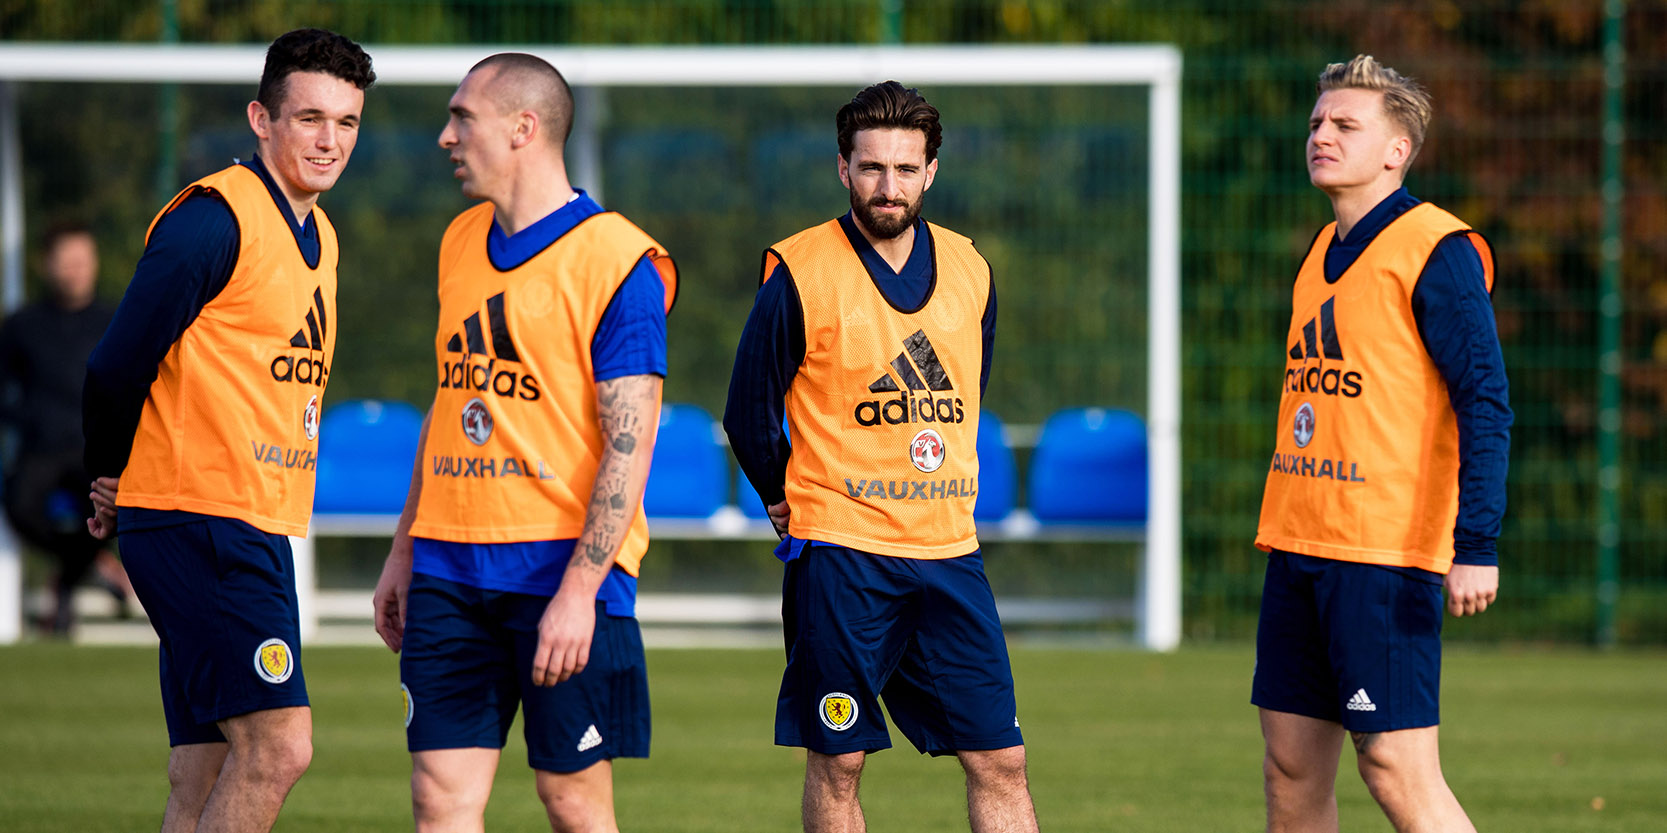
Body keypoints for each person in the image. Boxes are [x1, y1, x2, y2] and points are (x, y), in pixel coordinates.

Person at [371, 53, 675, 833]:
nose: (445, 136)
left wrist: (579, 591)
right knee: (439, 798)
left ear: (522, 128)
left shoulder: (619, 261)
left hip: (558, 571)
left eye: (461, 118)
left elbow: (629, 443)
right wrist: (405, 546)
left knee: (570, 798)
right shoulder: (459, 240)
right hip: (447, 563)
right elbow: (448, 404)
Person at [723, 81, 1039, 833]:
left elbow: (967, 386)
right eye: (870, 168)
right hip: (842, 551)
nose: (886, 186)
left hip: (948, 550)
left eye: (904, 169)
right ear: (842, 169)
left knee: (1000, 757)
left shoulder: (971, 268)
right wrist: (779, 491)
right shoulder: (800, 271)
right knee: (840, 761)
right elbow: (748, 408)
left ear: (931, 171)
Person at [81, 29, 373, 833]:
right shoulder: (214, 220)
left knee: (205, 763)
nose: (328, 140)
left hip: (244, 516)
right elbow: (114, 366)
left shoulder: (322, 235)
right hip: (199, 515)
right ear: (261, 118)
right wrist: (108, 474)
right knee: (279, 746)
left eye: (346, 122)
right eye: (309, 117)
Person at [1253, 54, 1511, 833]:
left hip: (1384, 556)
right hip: (1301, 544)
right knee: (1290, 769)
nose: (1320, 135)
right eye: (1315, 123)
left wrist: (1476, 542)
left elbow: (1485, 402)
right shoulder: (1318, 252)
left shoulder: (1437, 249)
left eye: (1343, 125)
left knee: (1395, 768)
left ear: (1395, 151)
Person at [0, 222, 128, 634]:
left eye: (83, 261)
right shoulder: (22, 325)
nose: (76, 270)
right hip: (42, 449)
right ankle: (94, 565)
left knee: (117, 509)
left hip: (98, 448)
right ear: (47, 266)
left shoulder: (117, 319)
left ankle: (66, 585)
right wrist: (25, 420)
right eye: (66, 262)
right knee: (20, 507)